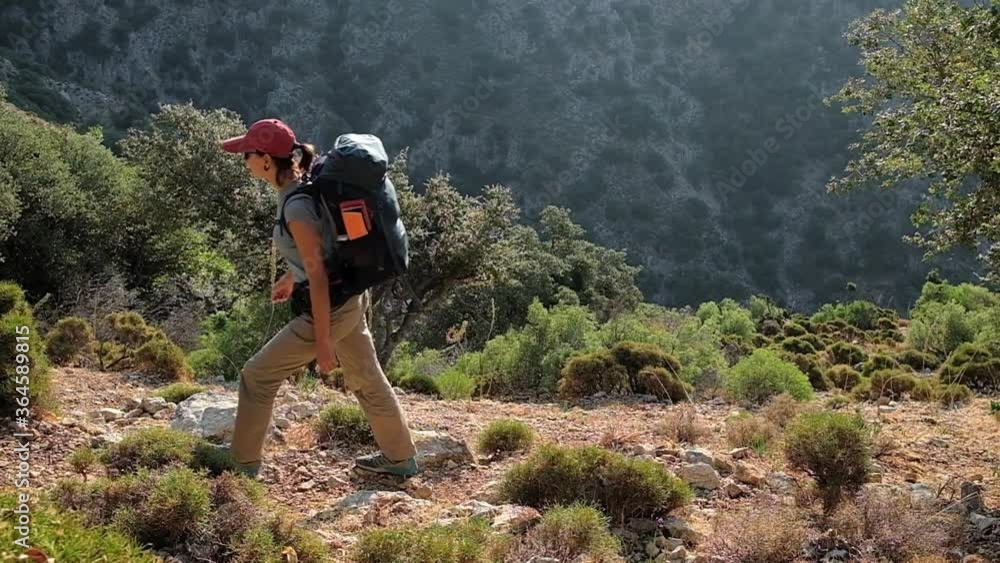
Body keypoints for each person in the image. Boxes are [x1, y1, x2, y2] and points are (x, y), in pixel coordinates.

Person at [218, 118, 418, 478]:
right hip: (351, 298)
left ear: (266, 160)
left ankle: (242, 464)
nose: (243, 160)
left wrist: (324, 342)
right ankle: (400, 458)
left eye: (246, 154)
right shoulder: (303, 184)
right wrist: (289, 277)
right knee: (368, 377)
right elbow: (319, 253)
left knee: (257, 376)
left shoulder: (296, 207)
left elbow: (319, 275)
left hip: (331, 307)